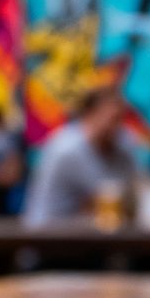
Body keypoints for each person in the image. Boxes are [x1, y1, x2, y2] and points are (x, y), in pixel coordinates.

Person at [22, 86, 138, 228]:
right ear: (89, 114)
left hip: (85, 237)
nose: (117, 127)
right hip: (50, 238)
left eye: (120, 120)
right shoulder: (68, 149)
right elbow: (103, 198)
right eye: (112, 119)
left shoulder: (119, 146)